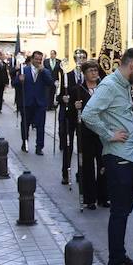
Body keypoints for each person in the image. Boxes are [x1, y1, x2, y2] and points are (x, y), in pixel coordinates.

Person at [81, 48, 133, 265]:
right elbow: (88, 114)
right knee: (119, 213)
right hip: (118, 158)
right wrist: (109, 134)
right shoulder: (110, 85)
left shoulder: (122, 85)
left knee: (124, 211)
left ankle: (120, 257)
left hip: (129, 157)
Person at [70, 61, 109, 210]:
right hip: (85, 132)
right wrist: (74, 107)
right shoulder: (78, 90)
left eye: (95, 70)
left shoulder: (103, 89)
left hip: (102, 131)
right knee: (87, 165)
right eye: (91, 71)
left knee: (103, 164)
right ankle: (89, 198)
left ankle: (104, 196)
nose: (94, 73)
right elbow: (70, 114)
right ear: (84, 73)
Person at [13, 51, 53, 155]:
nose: (38, 61)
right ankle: (25, 142)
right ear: (32, 59)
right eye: (36, 59)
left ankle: (39, 147)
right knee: (25, 124)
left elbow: (50, 83)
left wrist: (43, 71)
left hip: (40, 103)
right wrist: (19, 80)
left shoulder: (45, 71)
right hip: (27, 101)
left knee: (40, 125)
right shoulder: (24, 70)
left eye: (40, 59)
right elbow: (15, 84)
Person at [60, 49, 88, 184]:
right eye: (78, 58)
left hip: (85, 116)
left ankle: (81, 173)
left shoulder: (89, 77)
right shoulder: (68, 75)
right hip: (70, 116)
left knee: (83, 146)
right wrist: (64, 98)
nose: (80, 60)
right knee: (68, 145)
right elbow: (61, 96)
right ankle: (66, 172)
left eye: (83, 58)